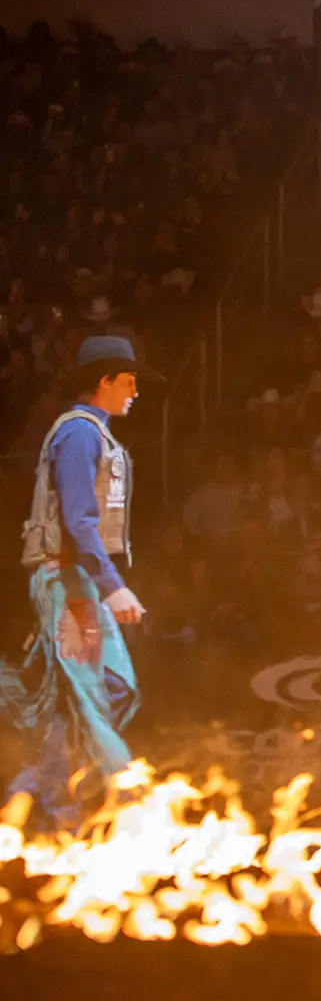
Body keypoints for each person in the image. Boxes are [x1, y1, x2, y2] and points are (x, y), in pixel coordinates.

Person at [4, 337, 157, 830]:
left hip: (78, 582)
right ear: (104, 380)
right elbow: (78, 519)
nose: (136, 390)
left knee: (105, 689)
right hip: (68, 581)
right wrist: (112, 586)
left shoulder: (97, 434)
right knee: (95, 690)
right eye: (129, 381)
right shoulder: (78, 434)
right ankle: (130, 806)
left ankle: (39, 786)